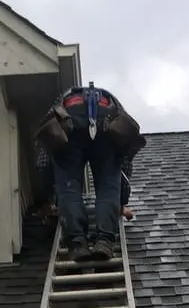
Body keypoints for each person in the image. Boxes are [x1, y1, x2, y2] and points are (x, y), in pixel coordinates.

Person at [34, 82, 146, 262]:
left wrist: (47, 199)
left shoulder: (60, 106)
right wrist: (121, 201)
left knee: (69, 187)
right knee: (109, 186)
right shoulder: (114, 107)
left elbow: (44, 162)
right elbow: (123, 166)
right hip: (106, 126)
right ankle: (104, 241)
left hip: (70, 125)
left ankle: (78, 244)